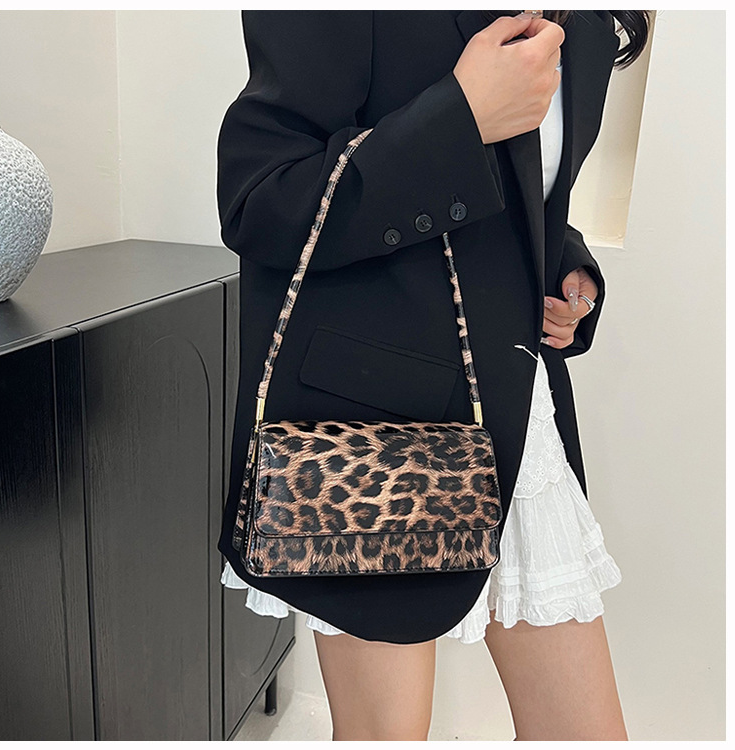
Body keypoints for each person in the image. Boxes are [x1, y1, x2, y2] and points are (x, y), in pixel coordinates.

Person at [216, 9, 650, 741]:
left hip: (515, 416)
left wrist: (565, 266)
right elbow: (261, 200)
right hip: (371, 449)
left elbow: (525, 193)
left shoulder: (587, 20)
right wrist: (460, 115)